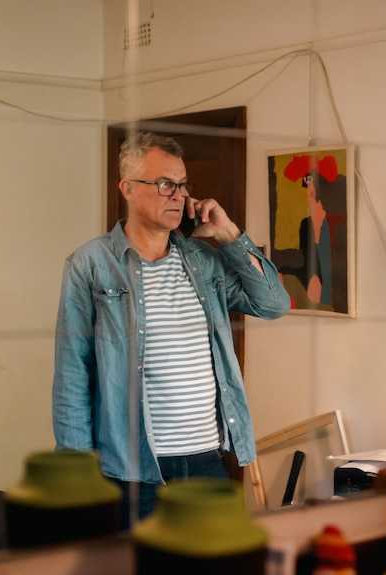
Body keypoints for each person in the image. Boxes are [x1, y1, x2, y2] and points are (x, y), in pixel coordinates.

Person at [52, 131, 290, 530]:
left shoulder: (203, 260)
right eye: (164, 184)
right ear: (127, 188)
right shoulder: (90, 265)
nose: (177, 195)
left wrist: (230, 234)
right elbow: (72, 374)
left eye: (181, 185)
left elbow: (274, 304)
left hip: (206, 461)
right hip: (131, 470)